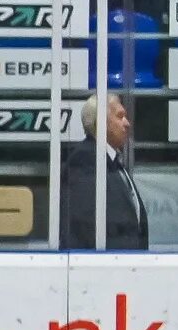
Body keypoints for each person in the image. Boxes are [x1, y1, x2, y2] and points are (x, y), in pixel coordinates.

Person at [58, 93, 149, 249]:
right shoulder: (86, 158)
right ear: (101, 122)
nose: (127, 123)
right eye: (120, 117)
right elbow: (85, 225)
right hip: (107, 266)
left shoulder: (111, 159)